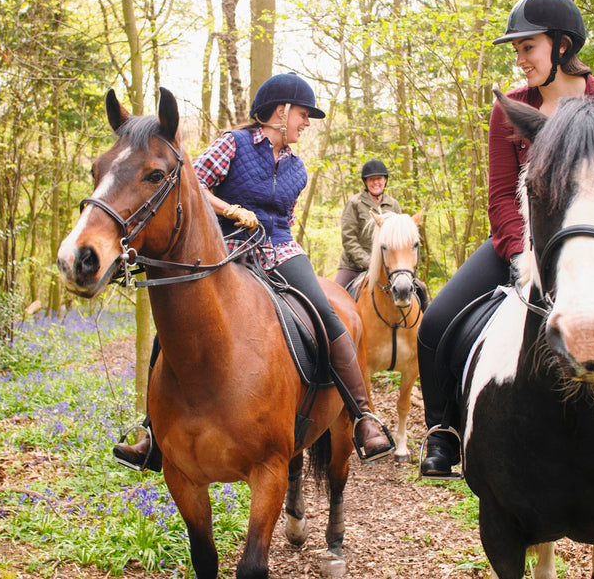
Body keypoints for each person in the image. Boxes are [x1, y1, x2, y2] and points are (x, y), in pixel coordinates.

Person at [416, 0, 594, 481]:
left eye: (528, 47)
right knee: (436, 322)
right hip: (526, 246)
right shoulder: (511, 109)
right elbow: (502, 195)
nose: (520, 59)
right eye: (517, 50)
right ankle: (442, 429)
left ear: (563, 46)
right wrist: (523, 257)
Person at [113, 72, 395, 471]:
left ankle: (364, 416)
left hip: (280, 248)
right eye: (302, 113)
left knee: (327, 314)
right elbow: (191, 184)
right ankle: (152, 433)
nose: (306, 122)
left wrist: (283, 242)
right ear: (280, 112)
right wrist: (231, 211)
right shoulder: (234, 143)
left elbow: (286, 219)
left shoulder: (298, 169)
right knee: (176, 324)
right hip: (225, 249)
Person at [334, 159, 402, 288]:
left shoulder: (393, 205)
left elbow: (399, 240)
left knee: (419, 288)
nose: (376, 182)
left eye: (379, 179)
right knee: (333, 297)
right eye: (371, 179)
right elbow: (349, 239)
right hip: (354, 266)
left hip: (388, 266)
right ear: (366, 182)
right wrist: (368, 262)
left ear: (385, 180)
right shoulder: (354, 203)